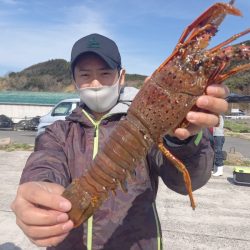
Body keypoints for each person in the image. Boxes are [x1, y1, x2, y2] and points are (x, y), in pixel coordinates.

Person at [11, 33, 229, 250]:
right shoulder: (58, 132)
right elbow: (45, 162)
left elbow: (184, 181)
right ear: (74, 80)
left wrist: (184, 139)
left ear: (121, 76)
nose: (95, 82)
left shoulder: (155, 134)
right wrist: (38, 189)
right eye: (85, 74)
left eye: (105, 73)